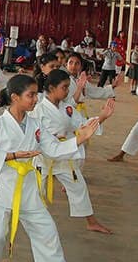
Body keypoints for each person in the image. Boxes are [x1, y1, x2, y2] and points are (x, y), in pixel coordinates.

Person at [0, 74, 96, 262]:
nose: (35, 100)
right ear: (15, 97)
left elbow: (54, 149)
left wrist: (80, 138)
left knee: (46, 229)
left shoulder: (35, 124)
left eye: (36, 94)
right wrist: (13, 156)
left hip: (27, 185)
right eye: (30, 95)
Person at [34, 69, 116, 234]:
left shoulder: (67, 108)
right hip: (43, 156)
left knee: (79, 186)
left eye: (68, 87)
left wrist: (101, 117)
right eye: (64, 87)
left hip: (65, 154)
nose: (67, 91)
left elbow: (82, 125)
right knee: (33, 193)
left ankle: (91, 222)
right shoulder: (38, 110)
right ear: (51, 88)